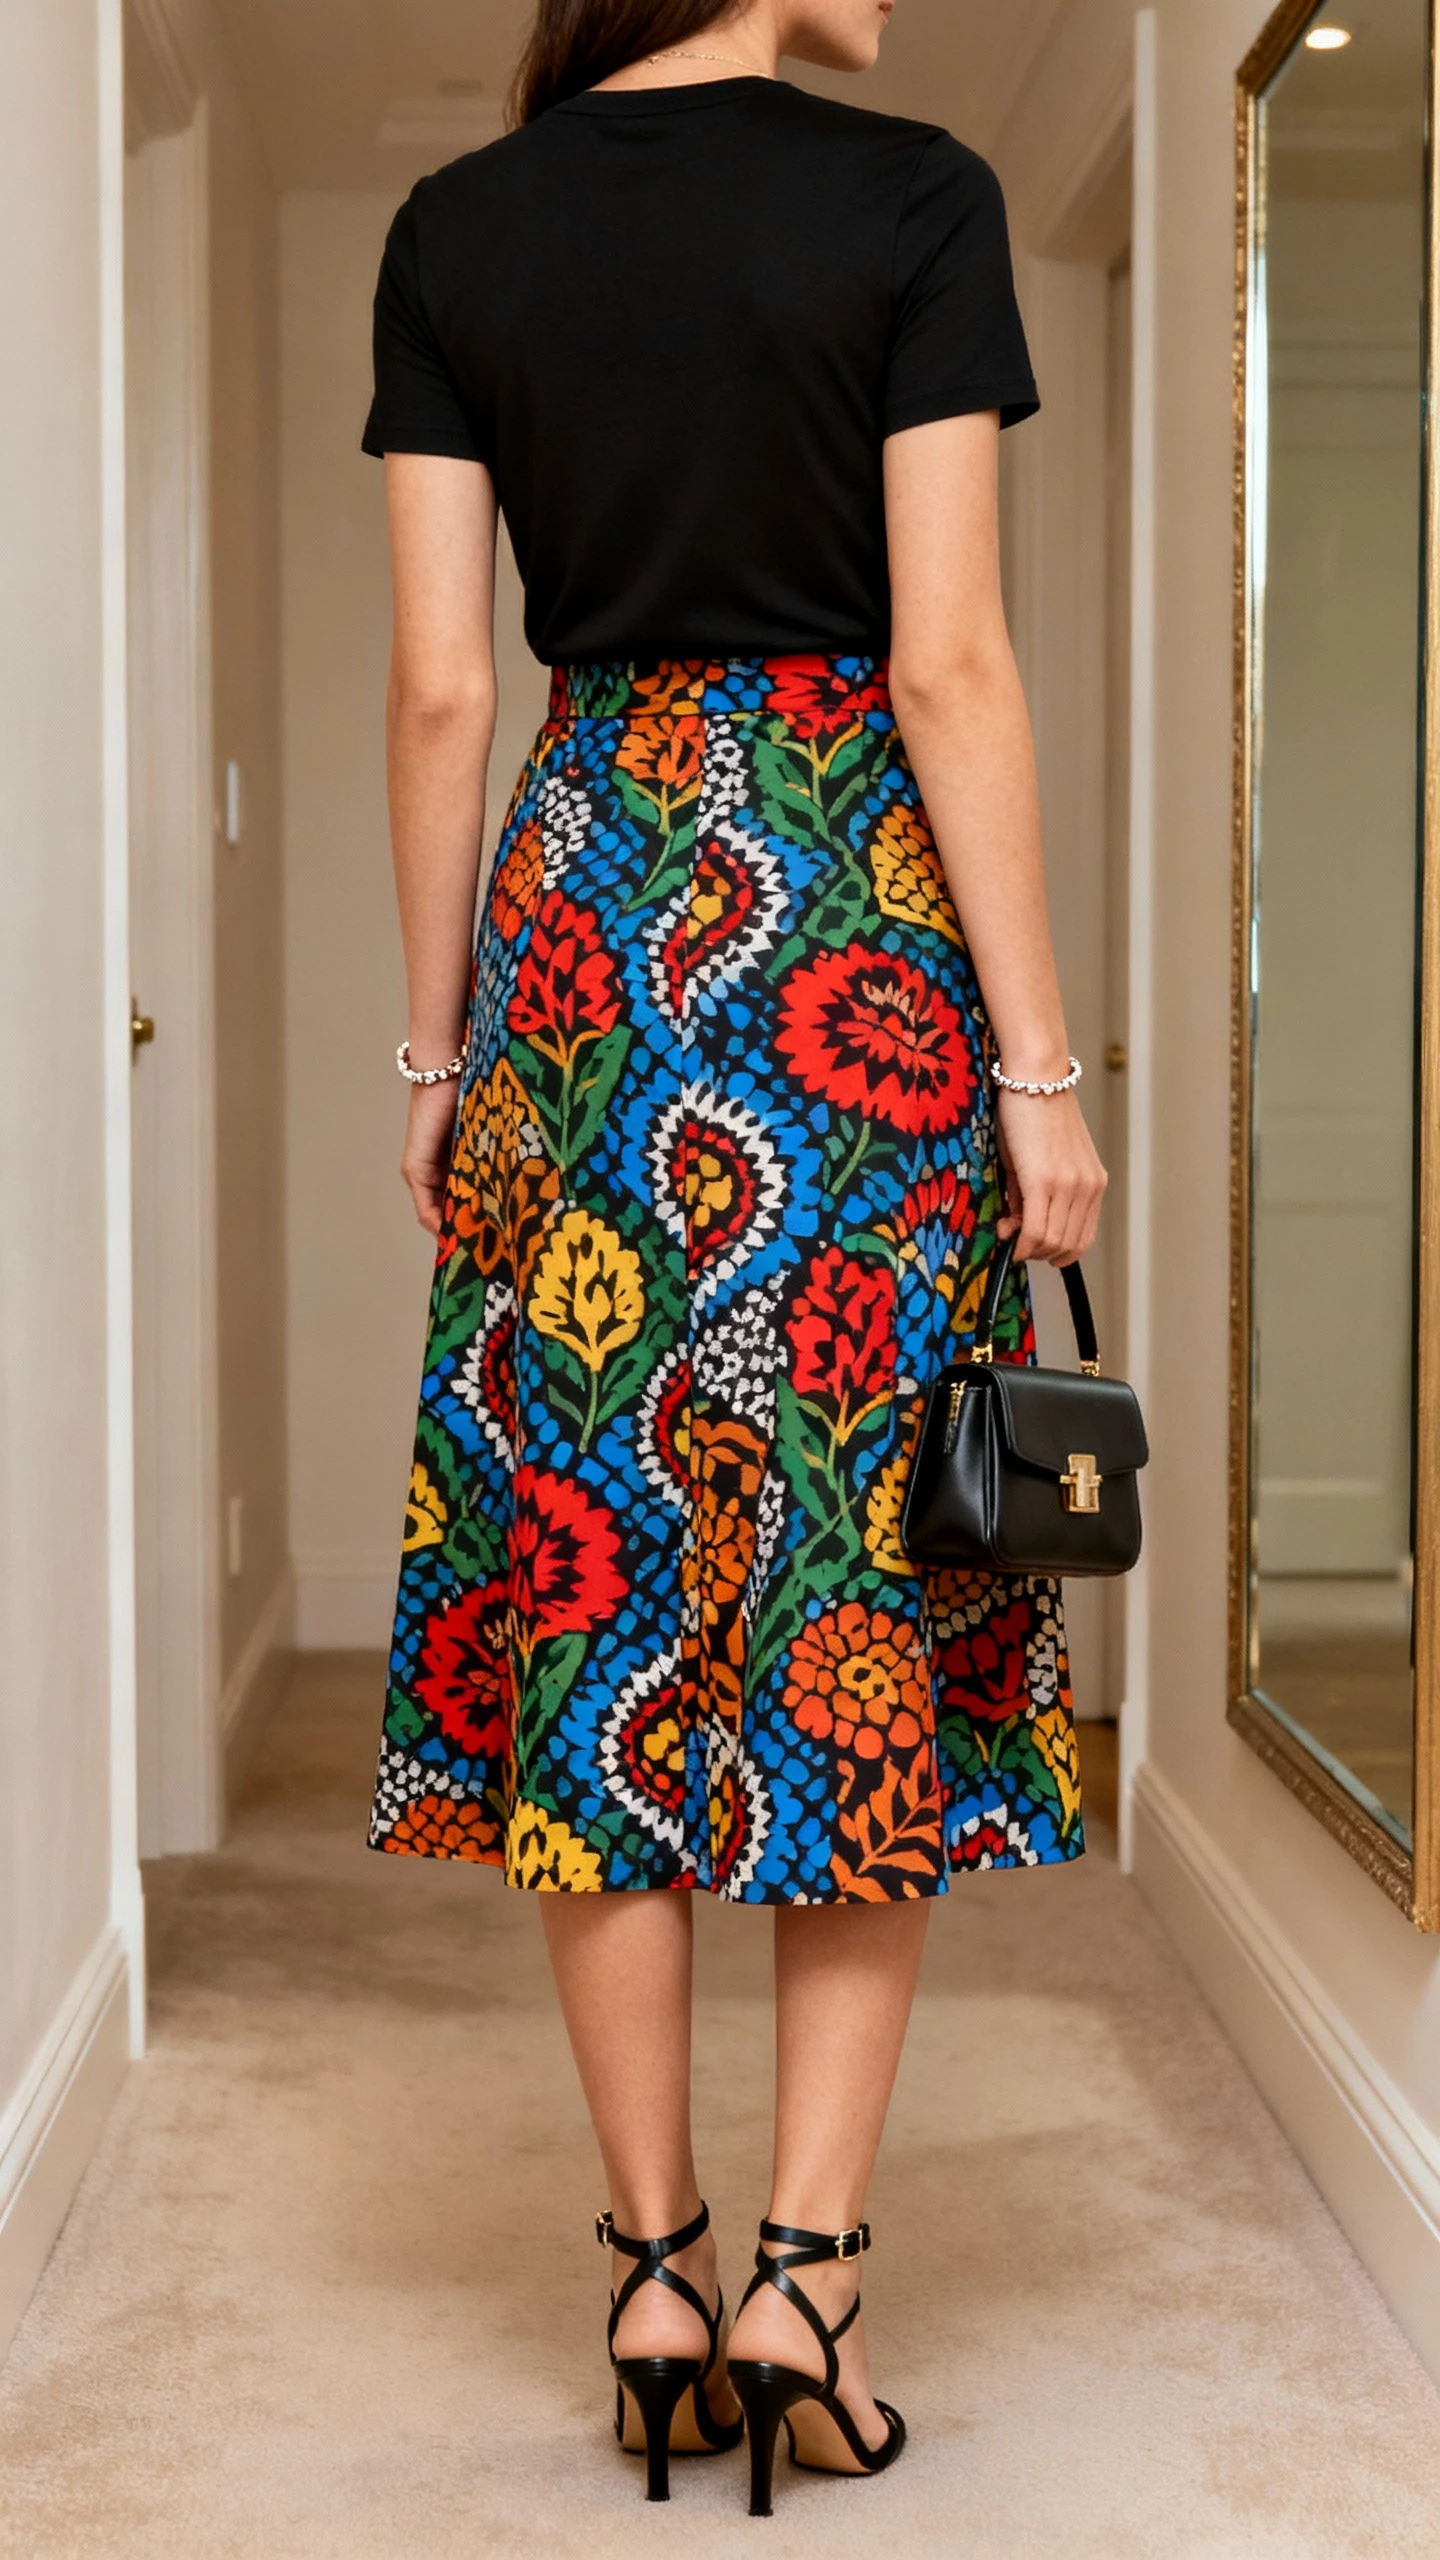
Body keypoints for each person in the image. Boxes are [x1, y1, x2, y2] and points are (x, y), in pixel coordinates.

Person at [361, 0, 1106, 2516]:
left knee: (605, 1573)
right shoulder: (912, 203)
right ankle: (808, 2280)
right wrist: (1037, 1068)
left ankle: (657, 2276)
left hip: (587, 932)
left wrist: (439, 1051)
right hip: (842, 951)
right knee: (850, 1591)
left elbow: (449, 681)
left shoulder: (462, 228)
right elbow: (948, 660)